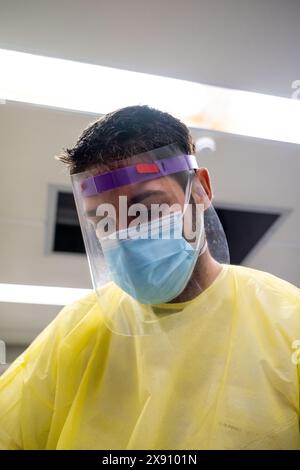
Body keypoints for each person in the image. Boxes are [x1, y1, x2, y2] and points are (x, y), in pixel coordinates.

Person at [0, 105, 299, 450]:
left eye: (147, 208)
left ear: (200, 189)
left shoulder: (288, 320)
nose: (126, 235)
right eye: (104, 220)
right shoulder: (75, 330)